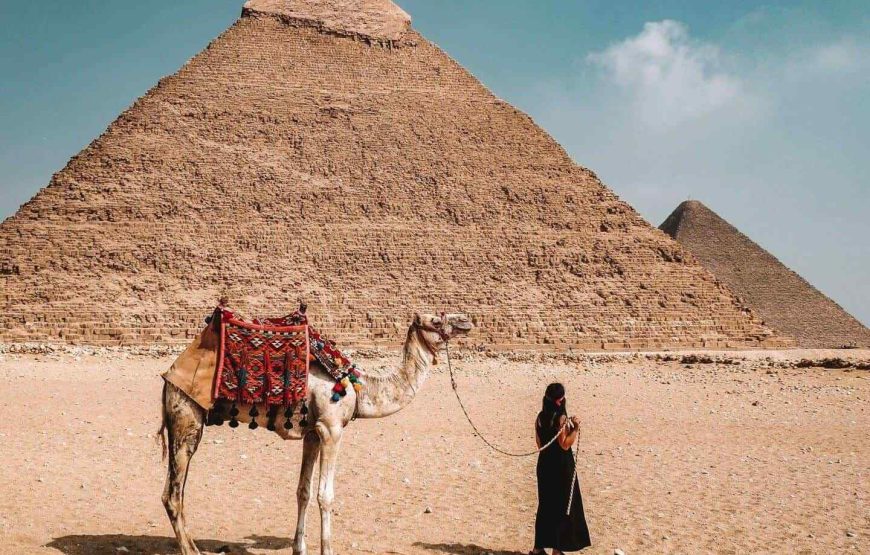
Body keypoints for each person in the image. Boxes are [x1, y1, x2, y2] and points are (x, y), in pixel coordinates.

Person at [530, 383, 591, 554]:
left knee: (545, 505)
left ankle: (538, 548)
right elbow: (564, 444)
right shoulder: (561, 419)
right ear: (561, 399)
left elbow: (540, 444)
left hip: (544, 466)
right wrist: (576, 429)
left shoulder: (540, 417)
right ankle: (557, 549)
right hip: (560, 467)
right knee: (562, 506)